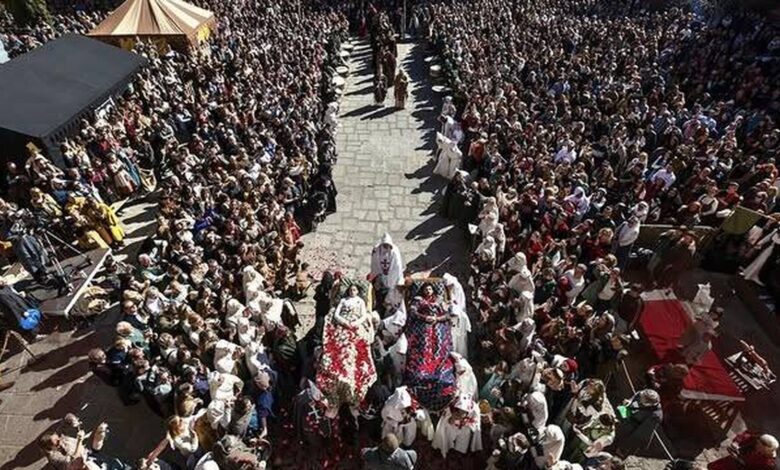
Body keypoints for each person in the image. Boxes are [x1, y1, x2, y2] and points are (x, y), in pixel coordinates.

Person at [316, 284, 377, 417]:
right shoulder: (343, 301)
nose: (352, 291)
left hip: (355, 325)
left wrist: (355, 324)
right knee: (340, 346)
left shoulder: (360, 301)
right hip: (343, 325)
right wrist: (344, 322)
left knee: (355, 348)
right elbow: (337, 314)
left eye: (354, 290)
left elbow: (362, 315)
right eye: (350, 290)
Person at [403, 282, 457, 411]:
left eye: (430, 289)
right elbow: (412, 312)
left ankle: (439, 368)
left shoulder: (439, 300)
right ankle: (422, 367)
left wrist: (437, 319)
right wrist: (425, 317)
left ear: (433, 290)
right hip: (422, 325)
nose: (428, 291)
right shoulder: (418, 300)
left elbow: (448, 314)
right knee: (423, 343)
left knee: (439, 342)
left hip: (438, 324)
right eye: (426, 289)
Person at [708, 432, 778, 470]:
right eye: (757, 443)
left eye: (759, 445)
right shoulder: (757, 440)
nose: (756, 445)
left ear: (766, 448)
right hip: (730, 462)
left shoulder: (769, 465)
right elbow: (744, 436)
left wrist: (740, 461)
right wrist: (736, 442)